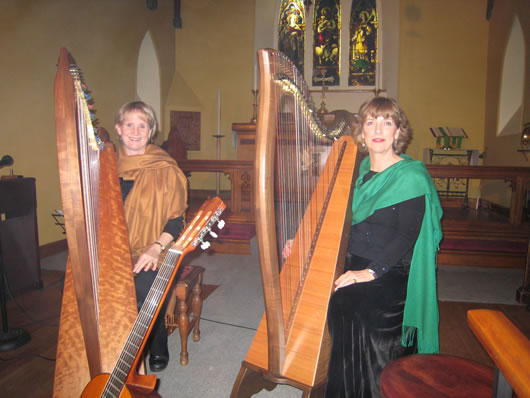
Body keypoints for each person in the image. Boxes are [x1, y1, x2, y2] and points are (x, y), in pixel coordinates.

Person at [325, 96, 443, 398]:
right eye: (371, 121)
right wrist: (300, 241)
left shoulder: (412, 176)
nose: (378, 128)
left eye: (387, 121)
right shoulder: (361, 171)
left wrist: (368, 273)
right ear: (362, 132)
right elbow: (341, 222)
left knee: (354, 307)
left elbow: (405, 238)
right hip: (355, 259)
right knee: (332, 298)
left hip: (391, 270)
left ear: (398, 131)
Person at [115, 101, 188, 372]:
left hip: (157, 247)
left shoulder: (165, 167)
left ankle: (157, 345)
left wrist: (155, 248)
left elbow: (175, 220)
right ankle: (111, 343)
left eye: (142, 125)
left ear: (151, 130)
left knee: (146, 289)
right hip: (113, 248)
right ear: (119, 128)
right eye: (129, 125)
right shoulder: (105, 166)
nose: (135, 131)